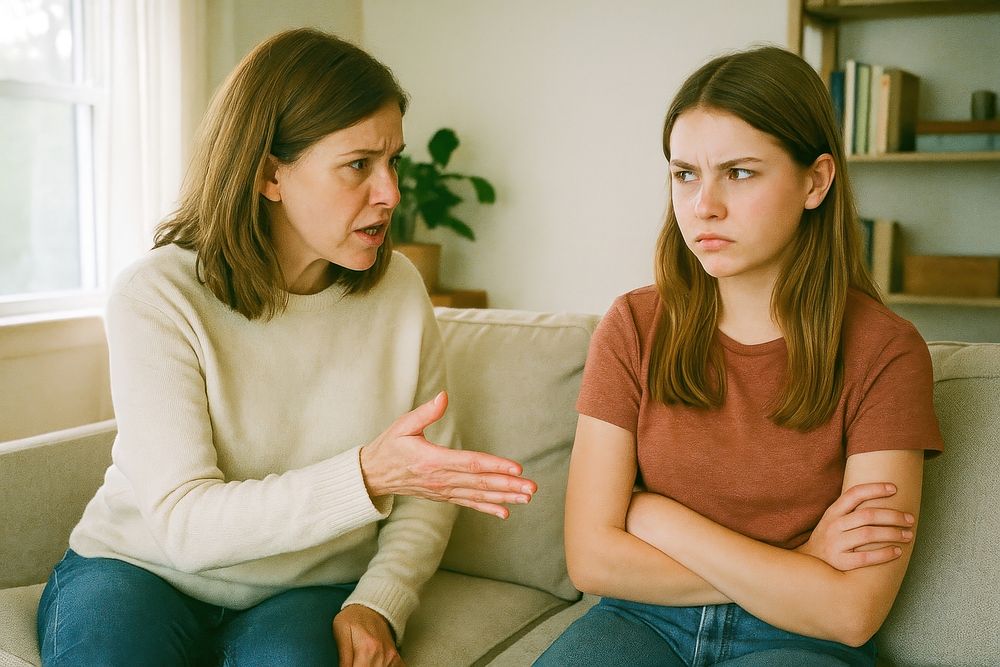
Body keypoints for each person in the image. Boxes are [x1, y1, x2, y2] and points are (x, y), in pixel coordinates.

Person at [36, 28, 536, 667]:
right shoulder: (157, 296)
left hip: (302, 589)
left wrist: (379, 600)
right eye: (359, 164)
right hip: (141, 569)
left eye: (394, 162)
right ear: (271, 173)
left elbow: (422, 489)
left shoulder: (401, 292)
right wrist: (364, 474)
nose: (391, 192)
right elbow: (186, 526)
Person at [536, 46, 942, 667]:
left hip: (798, 641)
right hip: (641, 622)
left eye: (741, 172)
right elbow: (591, 559)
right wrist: (800, 566)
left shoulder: (886, 352)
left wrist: (654, 517)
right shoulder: (635, 324)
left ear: (816, 181)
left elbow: (850, 613)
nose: (704, 206)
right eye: (685, 173)